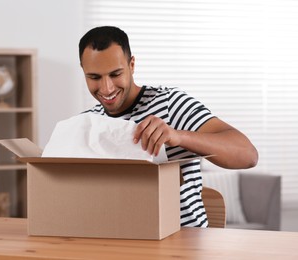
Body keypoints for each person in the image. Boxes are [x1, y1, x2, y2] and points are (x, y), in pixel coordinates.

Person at [78, 26, 258, 227]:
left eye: (115, 74)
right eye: (94, 77)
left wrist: (178, 136)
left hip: (183, 243)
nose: (106, 88)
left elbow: (248, 155)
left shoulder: (169, 103)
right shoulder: (86, 123)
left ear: (132, 65)